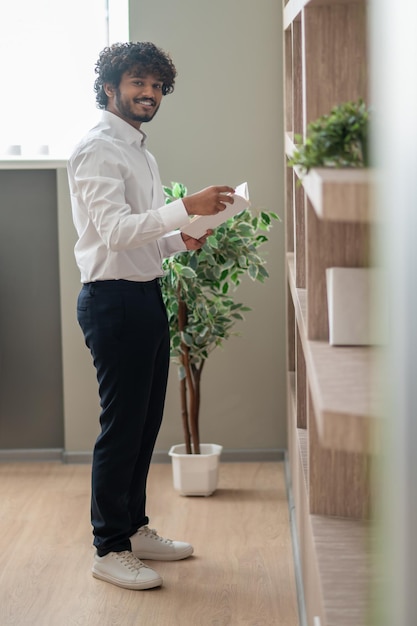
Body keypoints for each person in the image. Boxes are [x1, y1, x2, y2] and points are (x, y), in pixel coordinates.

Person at [67, 41, 235, 591]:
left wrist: (176, 241)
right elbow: (112, 234)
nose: (149, 93)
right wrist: (187, 207)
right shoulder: (97, 150)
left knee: (142, 424)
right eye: (138, 82)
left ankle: (133, 528)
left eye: (157, 85)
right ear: (110, 87)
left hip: (142, 293)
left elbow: (134, 236)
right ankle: (108, 547)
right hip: (111, 301)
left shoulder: (140, 150)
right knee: (121, 428)